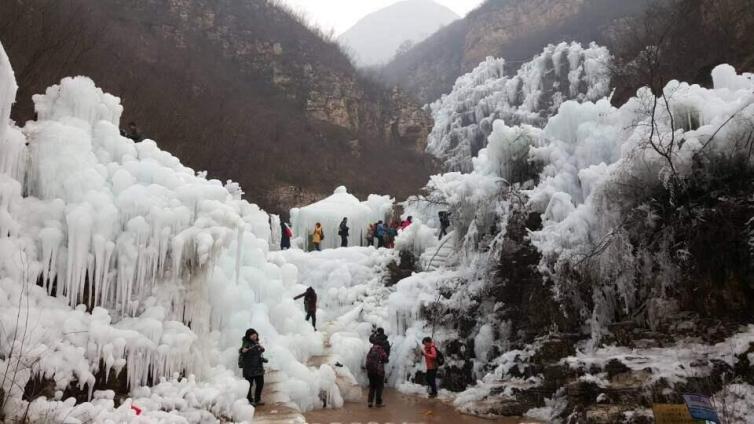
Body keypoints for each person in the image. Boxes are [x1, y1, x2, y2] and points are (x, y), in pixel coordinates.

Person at [239, 328, 267, 406]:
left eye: (255, 335)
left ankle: (257, 399)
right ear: (248, 336)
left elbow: (259, 352)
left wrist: (261, 351)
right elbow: (242, 350)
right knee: (249, 385)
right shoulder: (246, 343)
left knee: (260, 383)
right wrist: (242, 350)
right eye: (252, 335)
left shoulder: (256, 343)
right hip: (249, 369)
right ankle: (249, 400)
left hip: (258, 368)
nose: (254, 336)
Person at [365, 340, 388, 407]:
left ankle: (370, 402)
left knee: (372, 386)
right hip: (379, 372)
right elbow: (386, 359)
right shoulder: (381, 350)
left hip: (370, 372)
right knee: (379, 387)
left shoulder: (371, 350)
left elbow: (367, 359)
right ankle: (378, 403)